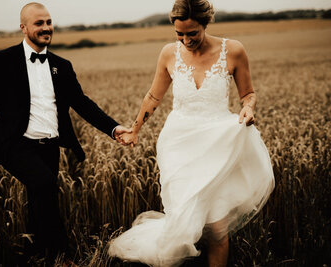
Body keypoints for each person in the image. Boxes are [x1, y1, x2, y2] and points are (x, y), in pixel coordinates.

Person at [109, 0, 275, 266]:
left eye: (192, 33)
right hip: (178, 146)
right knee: (183, 221)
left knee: (217, 228)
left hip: (219, 144)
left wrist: (248, 109)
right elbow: (154, 96)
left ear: (205, 25)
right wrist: (135, 130)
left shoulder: (233, 50)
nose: (185, 40)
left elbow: (248, 94)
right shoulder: (168, 54)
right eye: (179, 34)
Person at [0, 2, 130, 265]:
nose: (46, 28)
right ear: (24, 27)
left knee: (39, 194)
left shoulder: (61, 65)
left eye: (49, 22)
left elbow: (82, 103)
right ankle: (60, 256)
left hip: (49, 145)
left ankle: (35, 251)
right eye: (39, 23)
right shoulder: (2, 61)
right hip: (15, 145)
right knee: (45, 184)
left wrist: (113, 127)